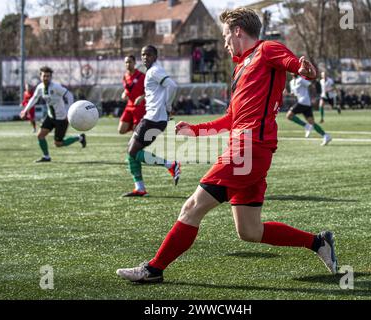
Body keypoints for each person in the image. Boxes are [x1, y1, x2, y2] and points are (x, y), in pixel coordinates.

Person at [116, 8, 338, 283]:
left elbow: (293, 63)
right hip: (249, 149)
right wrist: (196, 130)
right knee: (250, 231)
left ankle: (153, 269)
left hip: (249, 148)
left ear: (238, 31)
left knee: (192, 207)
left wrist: (304, 70)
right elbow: (233, 117)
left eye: (225, 36)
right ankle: (318, 243)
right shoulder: (239, 69)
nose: (224, 43)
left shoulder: (267, 49)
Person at [123, 45, 180, 197]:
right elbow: (158, 92)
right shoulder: (151, 71)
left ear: (155, 56)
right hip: (154, 117)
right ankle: (139, 188)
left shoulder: (155, 70)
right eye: (142, 54)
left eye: (148, 54)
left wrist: (168, 106)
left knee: (132, 151)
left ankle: (171, 164)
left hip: (154, 118)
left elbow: (172, 86)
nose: (144, 57)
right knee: (131, 152)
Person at [20, 66, 86, 162]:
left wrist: (69, 111)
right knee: (40, 135)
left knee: (58, 144)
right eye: (44, 76)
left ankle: (79, 138)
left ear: (51, 77)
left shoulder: (56, 87)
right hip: (50, 117)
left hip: (61, 118)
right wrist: (25, 110)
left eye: (48, 76)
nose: (46, 78)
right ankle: (46, 156)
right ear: (40, 76)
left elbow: (69, 95)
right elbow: (34, 98)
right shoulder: (40, 87)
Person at [287, 74, 332, 146]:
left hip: (303, 101)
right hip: (304, 103)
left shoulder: (301, 79)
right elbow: (294, 94)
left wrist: (313, 97)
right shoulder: (291, 82)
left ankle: (306, 125)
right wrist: (287, 94)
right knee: (311, 122)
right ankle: (326, 135)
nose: (293, 71)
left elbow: (311, 86)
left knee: (289, 115)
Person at [118, 55, 146, 135]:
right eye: (126, 62)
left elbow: (150, 90)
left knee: (136, 132)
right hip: (129, 106)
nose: (128, 64)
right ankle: (135, 127)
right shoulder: (125, 76)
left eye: (130, 62)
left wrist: (142, 97)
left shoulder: (142, 76)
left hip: (140, 106)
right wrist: (124, 93)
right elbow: (127, 89)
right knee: (121, 130)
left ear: (134, 63)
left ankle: (137, 129)